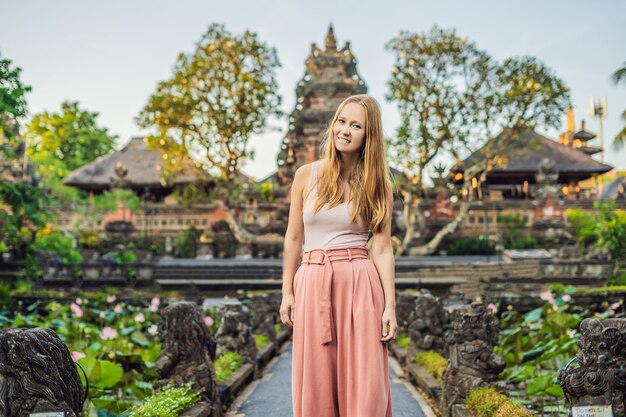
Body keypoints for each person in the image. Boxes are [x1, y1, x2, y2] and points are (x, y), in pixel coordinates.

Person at [280, 94, 397, 417]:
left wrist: (390, 305)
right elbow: (293, 237)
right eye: (341, 121)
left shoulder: (378, 183)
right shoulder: (306, 175)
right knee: (317, 379)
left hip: (359, 280)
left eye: (356, 125)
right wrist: (287, 292)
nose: (344, 130)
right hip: (313, 278)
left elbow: (383, 247)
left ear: (368, 135)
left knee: (365, 378)